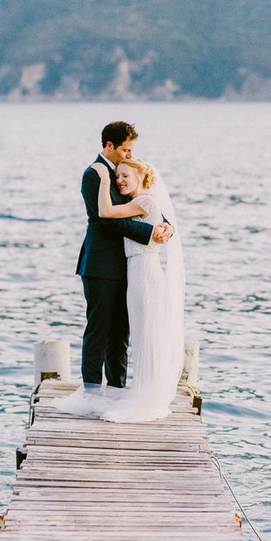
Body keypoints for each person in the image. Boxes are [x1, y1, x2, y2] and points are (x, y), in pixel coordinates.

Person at [56, 155, 184, 422]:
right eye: (117, 176)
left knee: (140, 336)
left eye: (126, 176)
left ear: (141, 177)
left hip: (143, 274)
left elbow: (108, 214)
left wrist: (104, 180)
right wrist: (163, 228)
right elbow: (115, 219)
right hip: (132, 272)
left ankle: (143, 396)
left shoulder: (143, 200)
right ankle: (133, 393)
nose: (119, 180)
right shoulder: (135, 200)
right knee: (135, 334)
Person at [75, 122, 172, 393]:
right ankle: (91, 392)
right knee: (98, 331)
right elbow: (106, 220)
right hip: (101, 265)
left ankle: (116, 389)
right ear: (110, 146)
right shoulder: (94, 174)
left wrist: (166, 226)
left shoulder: (125, 171)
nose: (130, 154)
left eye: (132, 150)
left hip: (131, 266)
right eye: (126, 150)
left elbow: (142, 201)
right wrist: (150, 233)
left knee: (121, 333)